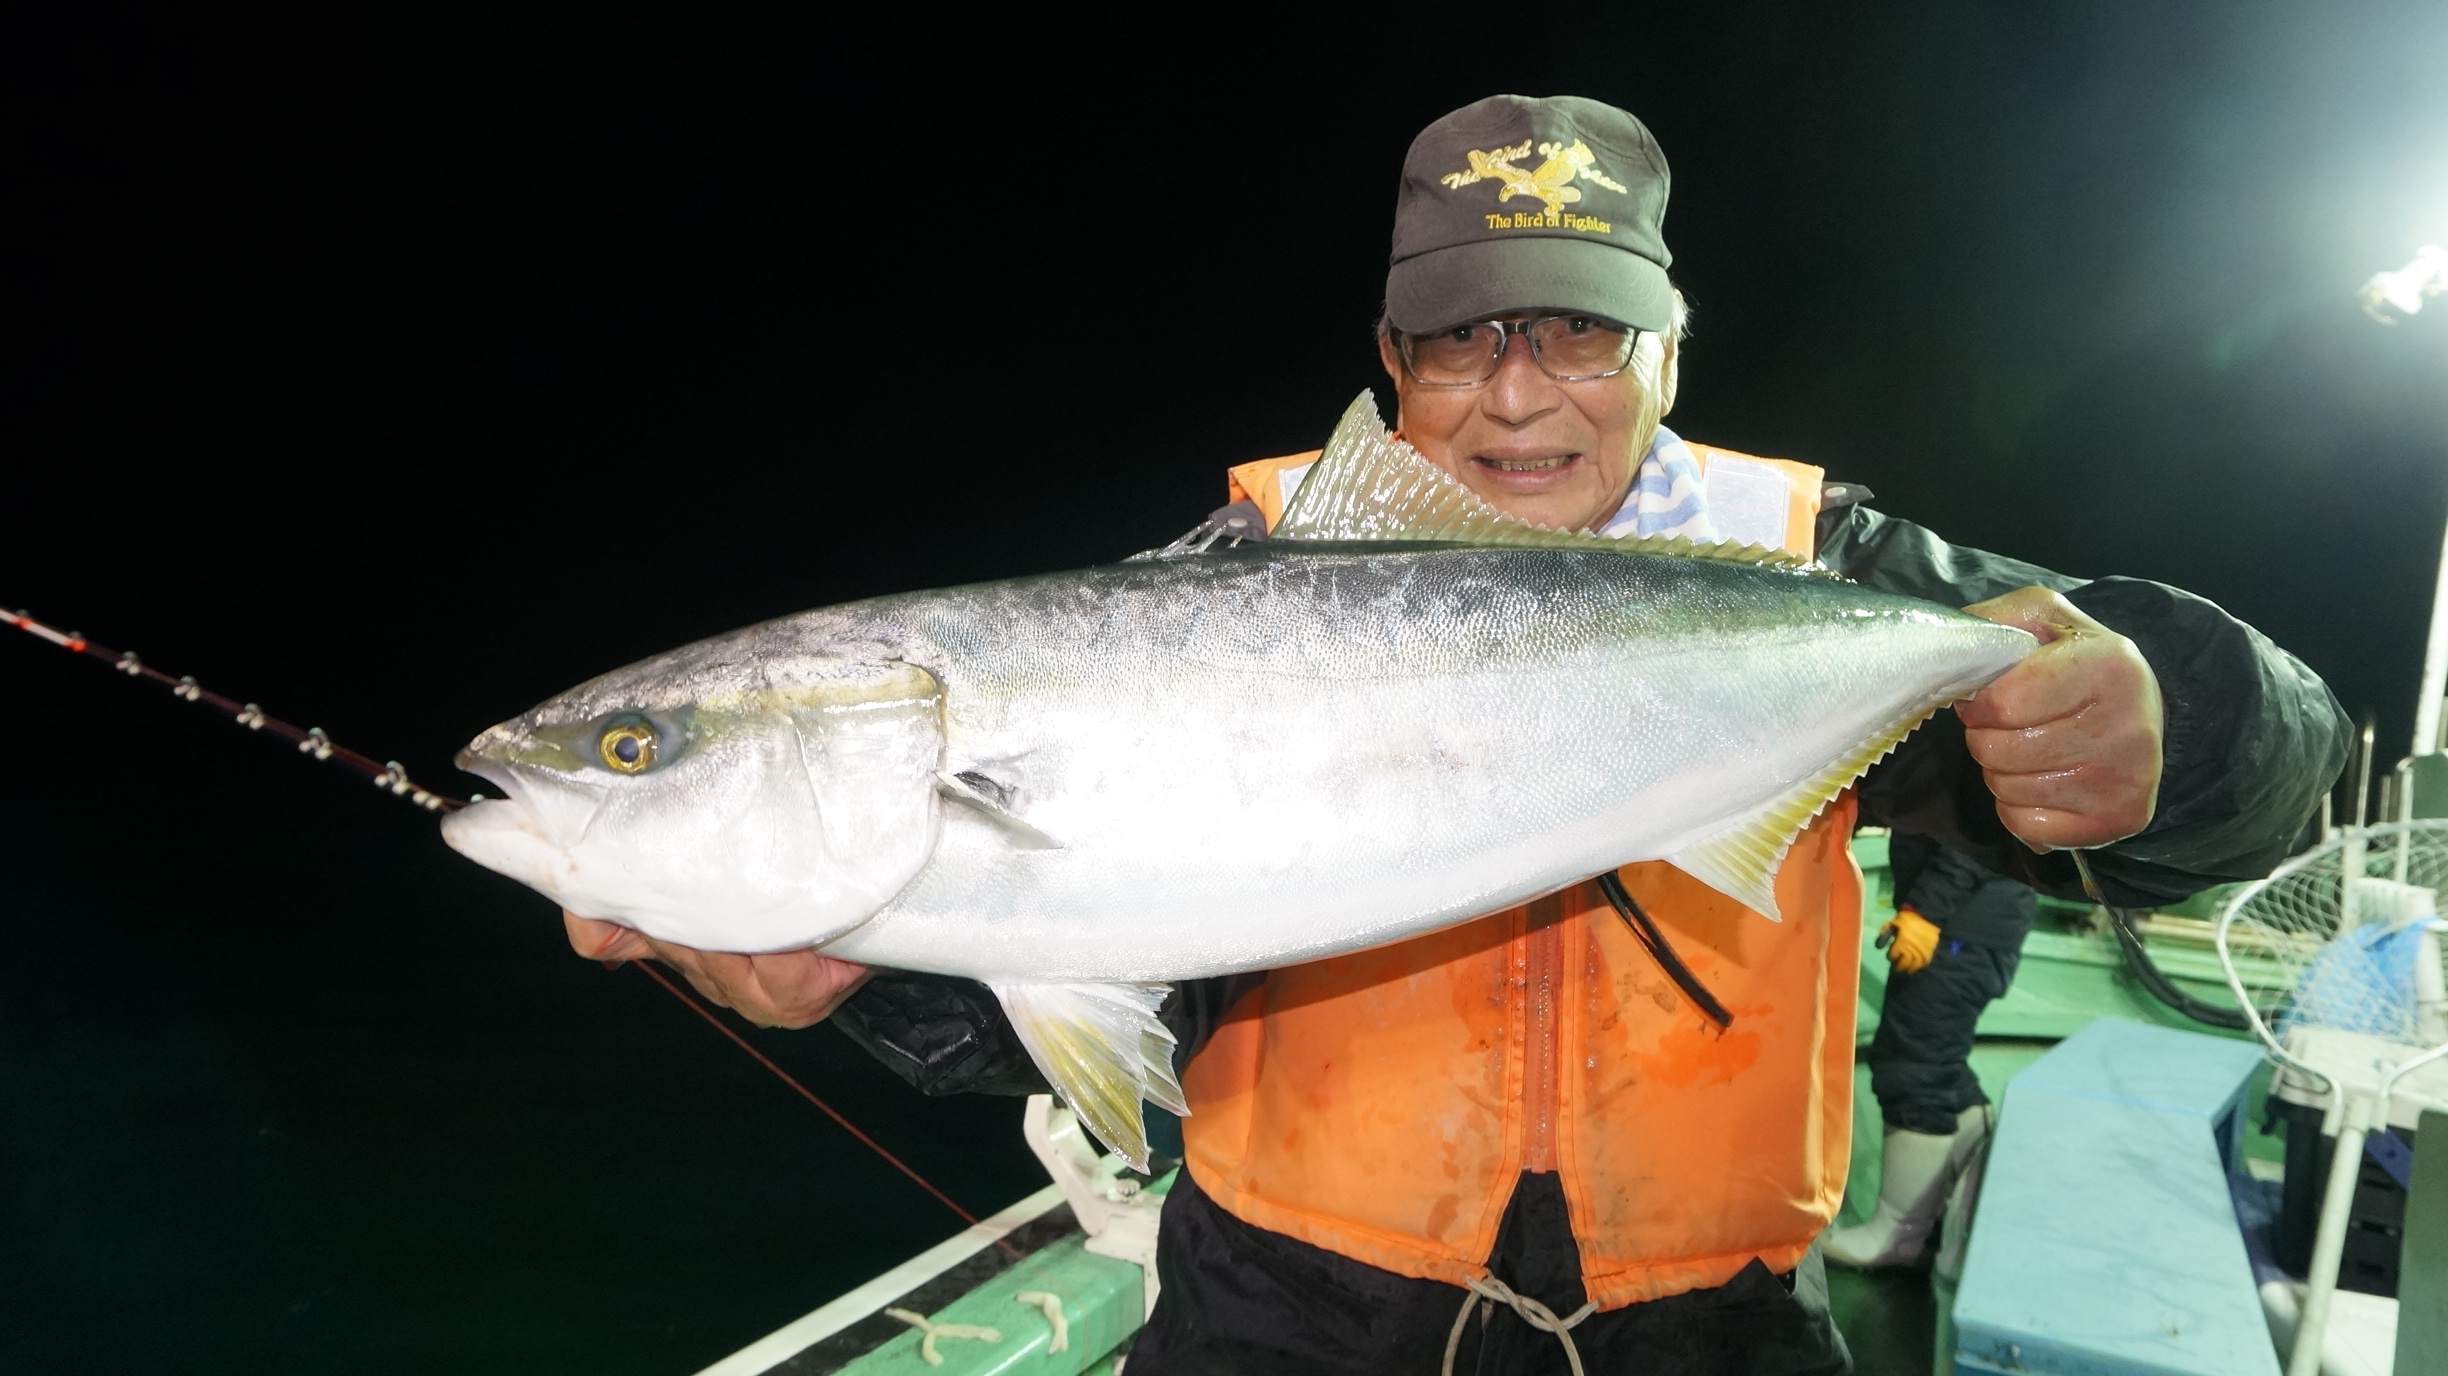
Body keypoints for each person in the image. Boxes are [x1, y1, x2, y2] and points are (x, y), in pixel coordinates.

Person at [565, 95, 2348, 1373]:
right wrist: (852, 977)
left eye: (1579, 335)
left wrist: (2173, 720)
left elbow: (2275, 769)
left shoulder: (1830, 582)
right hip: (1284, 1313)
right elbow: (1070, 962)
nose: (1513, 393)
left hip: (1707, 1329)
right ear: (1387, 361)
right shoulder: (1205, 606)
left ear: (1669, 349)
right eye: (1457, 339)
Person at [1822, 836, 2038, 1269]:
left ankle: (1899, 1233)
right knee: (1938, 1063)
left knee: (1915, 1068)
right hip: (1976, 924)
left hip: (1959, 926)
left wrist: (1926, 911)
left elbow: (1978, 835)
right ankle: (1961, 1208)